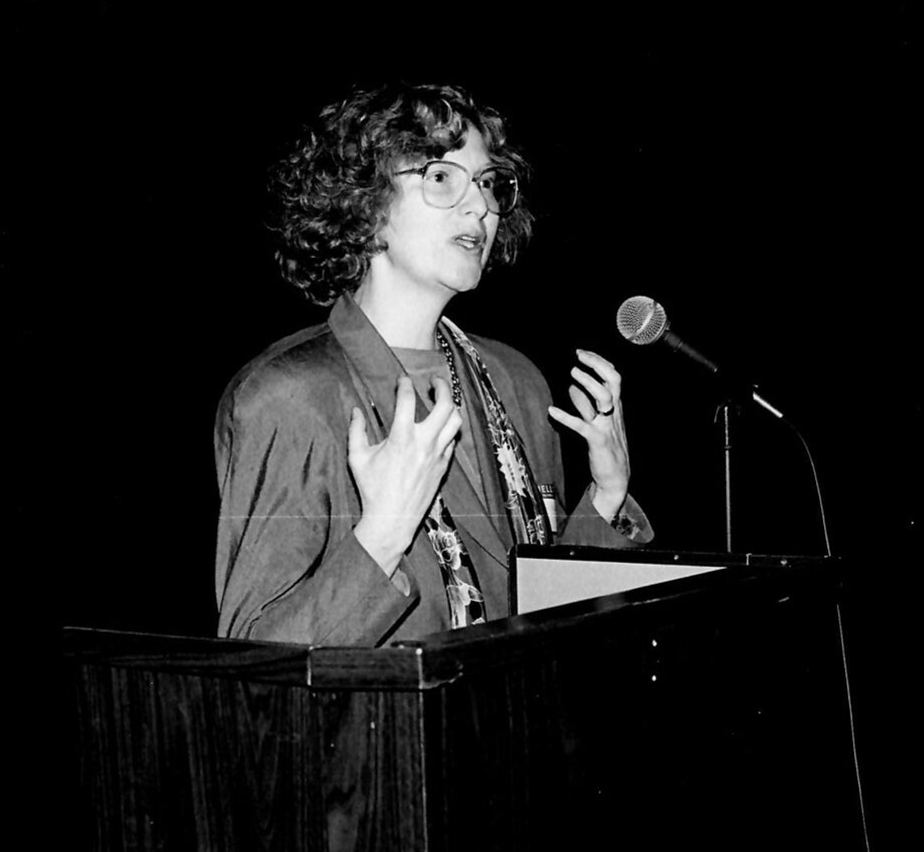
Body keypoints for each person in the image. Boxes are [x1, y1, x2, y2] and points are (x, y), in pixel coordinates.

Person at [214, 83, 652, 646]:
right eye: (442, 177)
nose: (480, 206)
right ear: (364, 201)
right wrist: (382, 536)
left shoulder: (516, 381)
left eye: (490, 184)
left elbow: (541, 624)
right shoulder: (290, 396)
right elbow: (255, 669)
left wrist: (605, 498)